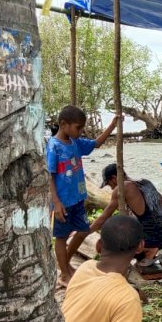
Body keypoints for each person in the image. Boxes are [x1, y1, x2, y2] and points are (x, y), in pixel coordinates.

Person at [48, 105, 118, 286]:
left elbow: (97, 143)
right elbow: (49, 175)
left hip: (78, 199)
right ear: (64, 125)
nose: (81, 131)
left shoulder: (75, 143)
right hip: (63, 202)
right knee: (61, 238)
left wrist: (113, 124)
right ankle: (64, 273)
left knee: (83, 230)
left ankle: (67, 265)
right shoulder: (54, 147)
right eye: (78, 127)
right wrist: (56, 203)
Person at [87, 164, 162, 267]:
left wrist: (86, 232)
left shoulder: (122, 188)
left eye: (109, 184)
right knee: (144, 223)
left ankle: (149, 250)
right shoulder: (145, 182)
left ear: (113, 178)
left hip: (151, 238)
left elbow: (103, 218)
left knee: (117, 249)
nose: (111, 187)